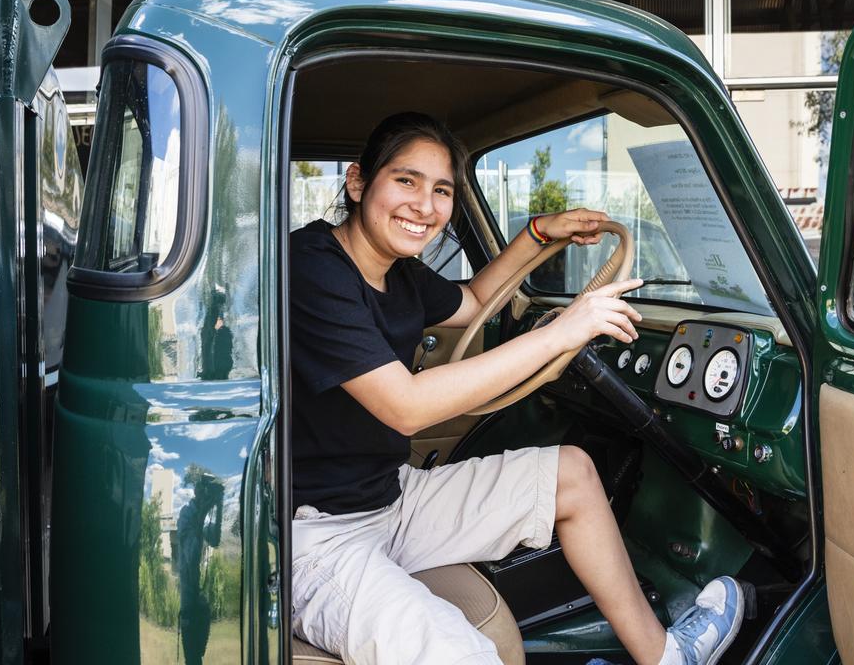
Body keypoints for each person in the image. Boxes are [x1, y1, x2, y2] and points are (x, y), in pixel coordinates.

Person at [289, 112, 744, 665]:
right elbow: (404, 407)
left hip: (390, 498)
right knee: (460, 652)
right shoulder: (311, 268)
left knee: (571, 475)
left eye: (441, 191)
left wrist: (537, 233)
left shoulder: (398, 270)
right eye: (405, 181)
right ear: (358, 182)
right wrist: (563, 329)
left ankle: (665, 656)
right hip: (316, 539)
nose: (424, 207)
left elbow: (479, 300)